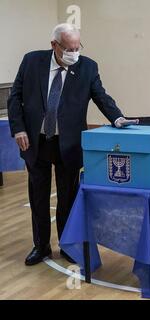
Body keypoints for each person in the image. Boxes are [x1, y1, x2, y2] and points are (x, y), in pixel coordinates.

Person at [7, 23, 138, 266]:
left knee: (67, 197)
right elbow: (14, 96)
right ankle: (41, 246)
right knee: (38, 197)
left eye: (77, 47)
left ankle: (67, 245)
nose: (74, 53)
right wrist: (19, 129)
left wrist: (118, 118)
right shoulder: (32, 62)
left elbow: (101, 96)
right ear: (54, 45)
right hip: (36, 142)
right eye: (69, 48)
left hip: (68, 143)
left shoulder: (87, 67)